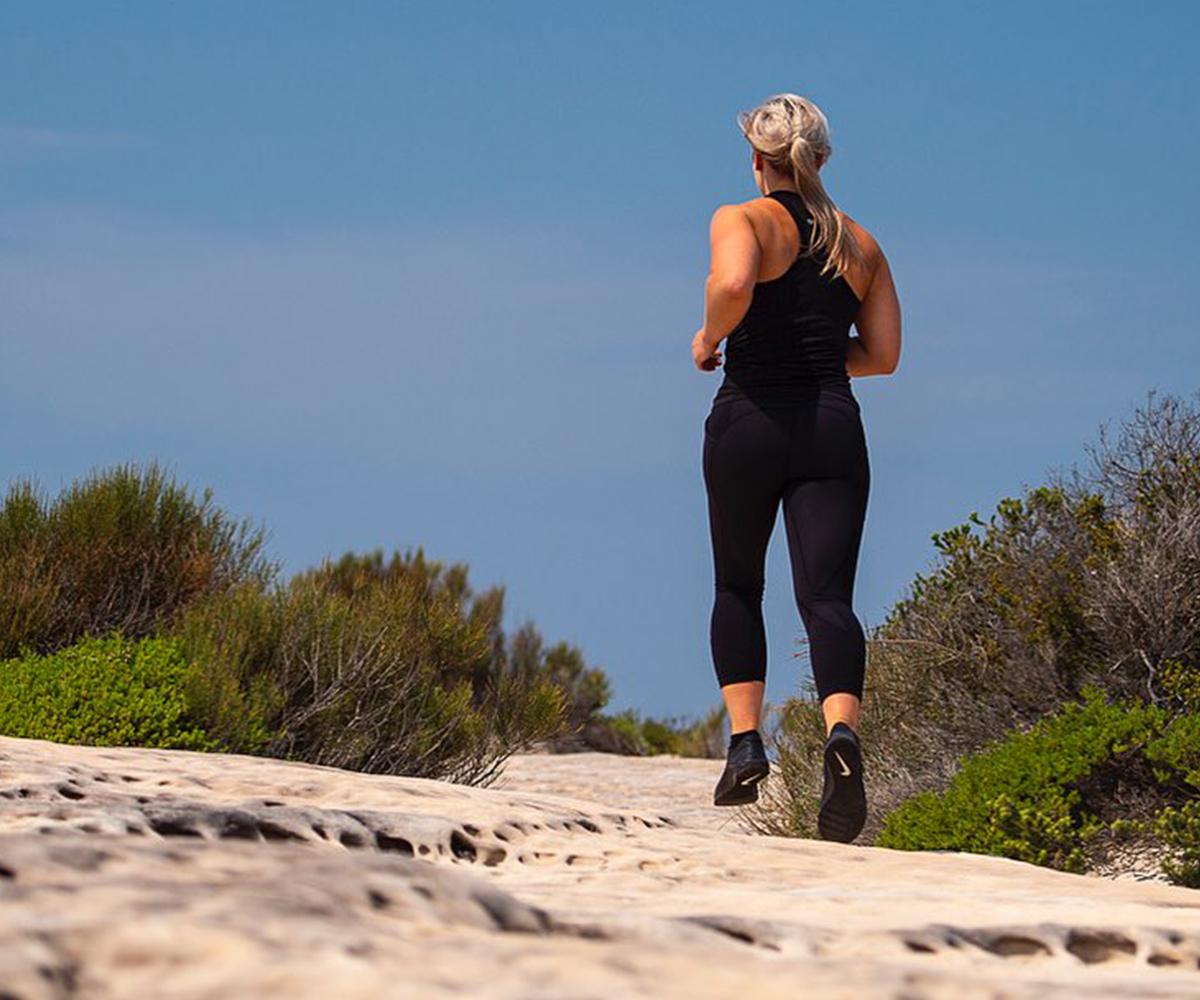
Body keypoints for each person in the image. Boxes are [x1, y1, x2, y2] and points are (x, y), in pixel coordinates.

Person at [692, 93, 901, 842]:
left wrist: (710, 334)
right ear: (821, 158)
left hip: (749, 418)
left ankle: (747, 743)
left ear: (758, 158)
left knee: (737, 584)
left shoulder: (740, 219)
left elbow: (734, 284)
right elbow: (882, 357)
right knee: (828, 599)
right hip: (831, 426)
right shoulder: (862, 245)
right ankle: (841, 735)